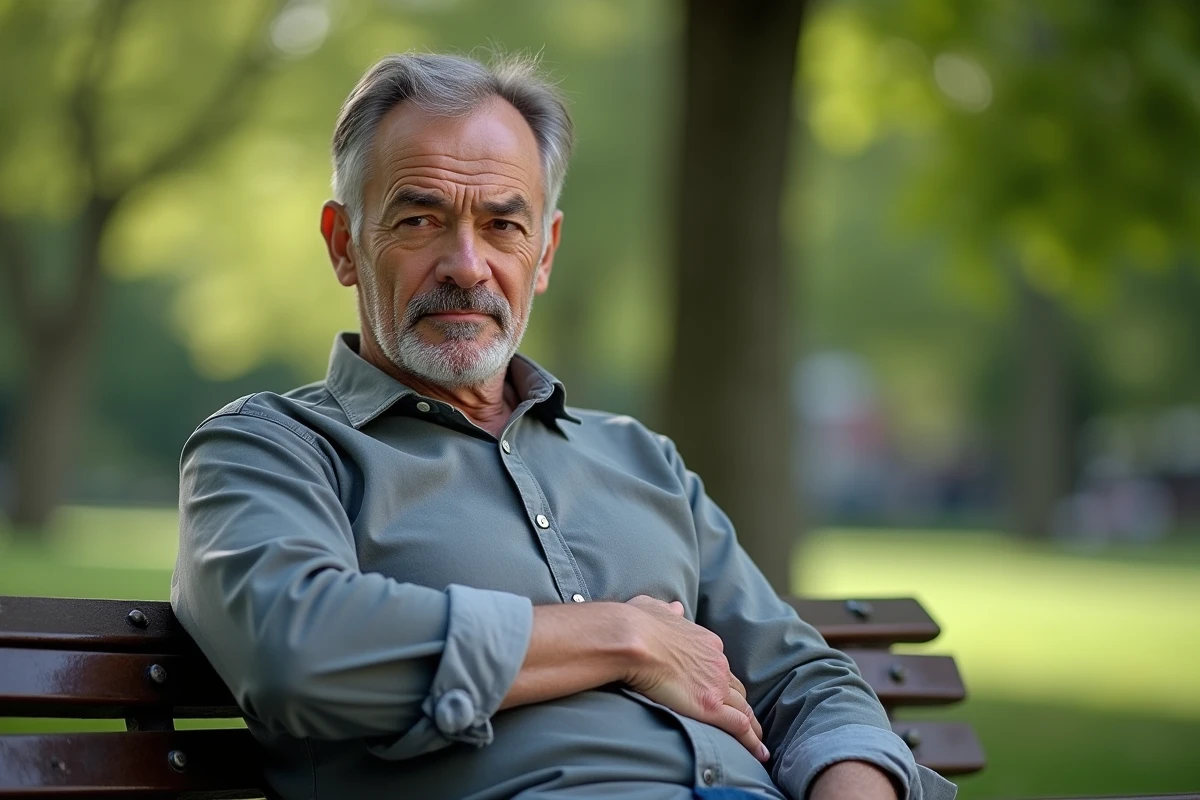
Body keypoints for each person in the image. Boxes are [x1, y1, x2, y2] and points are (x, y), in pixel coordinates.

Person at [171, 52, 956, 800]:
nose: (466, 265)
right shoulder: (270, 450)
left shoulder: (642, 458)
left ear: (543, 253)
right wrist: (626, 637)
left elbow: (803, 682)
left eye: (503, 226)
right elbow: (298, 650)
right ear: (344, 244)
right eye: (420, 220)